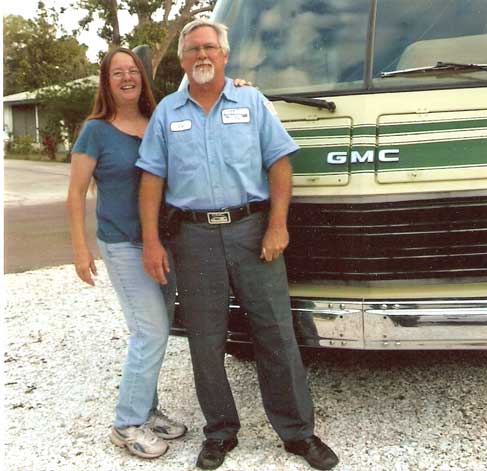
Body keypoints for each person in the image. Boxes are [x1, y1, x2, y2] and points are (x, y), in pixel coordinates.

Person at [136, 19, 339, 471]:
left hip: (253, 232)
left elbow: (280, 164)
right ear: (183, 59)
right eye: (192, 50)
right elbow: (151, 178)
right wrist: (151, 240)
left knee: (276, 335)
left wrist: (278, 226)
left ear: (225, 55)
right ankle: (220, 433)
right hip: (193, 238)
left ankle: (298, 434)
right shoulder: (168, 113)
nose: (201, 55)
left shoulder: (253, 102)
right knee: (206, 342)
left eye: (210, 47)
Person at [66, 47, 187, 459]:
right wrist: (81, 250)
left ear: (142, 77)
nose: (126, 78)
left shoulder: (159, 121)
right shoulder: (95, 130)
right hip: (121, 244)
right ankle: (126, 424)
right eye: (117, 73)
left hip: (163, 243)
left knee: (157, 331)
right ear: (107, 82)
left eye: (132, 70)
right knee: (150, 330)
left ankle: (147, 411)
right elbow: (75, 194)